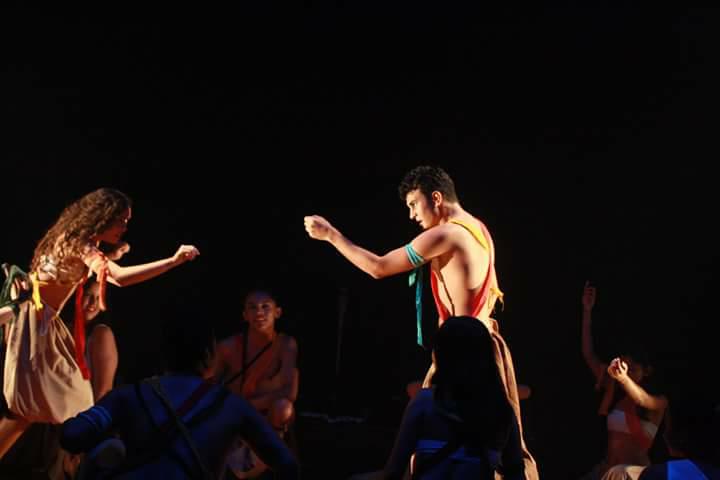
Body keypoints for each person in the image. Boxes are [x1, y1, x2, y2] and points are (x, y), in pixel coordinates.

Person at [304, 165, 538, 479]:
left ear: (436, 198)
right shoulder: (479, 229)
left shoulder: (446, 234)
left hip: (462, 357)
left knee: (432, 448)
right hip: (485, 351)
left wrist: (331, 235)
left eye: (414, 204)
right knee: (490, 453)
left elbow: (379, 267)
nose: (412, 214)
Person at [0, 187, 200, 458]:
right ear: (103, 216)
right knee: (76, 404)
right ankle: (101, 461)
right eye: (121, 220)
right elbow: (119, 278)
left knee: (28, 411)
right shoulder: (80, 244)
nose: (124, 228)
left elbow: (72, 269)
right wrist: (172, 261)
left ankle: (91, 458)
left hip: (37, 322)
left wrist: (111, 257)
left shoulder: (68, 237)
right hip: (37, 325)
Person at [59, 309, 300, 479]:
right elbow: (287, 464)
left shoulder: (130, 395)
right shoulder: (231, 405)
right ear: (210, 354)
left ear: (164, 353)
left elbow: (72, 435)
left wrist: (108, 447)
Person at [383, 315, 524, 479]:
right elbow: (516, 473)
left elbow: (393, 472)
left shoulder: (425, 403)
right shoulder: (501, 411)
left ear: (441, 355)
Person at [208, 288, 299, 479]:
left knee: (284, 407)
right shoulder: (228, 347)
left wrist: (250, 405)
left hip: (266, 415)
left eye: (265, 307)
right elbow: (209, 385)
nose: (259, 313)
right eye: (252, 307)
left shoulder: (286, 345)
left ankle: (269, 456)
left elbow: (289, 392)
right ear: (245, 315)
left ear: (277, 312)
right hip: (235, 413)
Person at [580, 282, 667, 479]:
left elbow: (642, 399)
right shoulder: (614, 387)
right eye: (625, 367)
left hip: (633, 474)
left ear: (647, 371)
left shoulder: (659, 402)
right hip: (606, 470)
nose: (626, 372)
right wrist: (587, 311)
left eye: (633, 369)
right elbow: (588, 353)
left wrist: (624, 378)